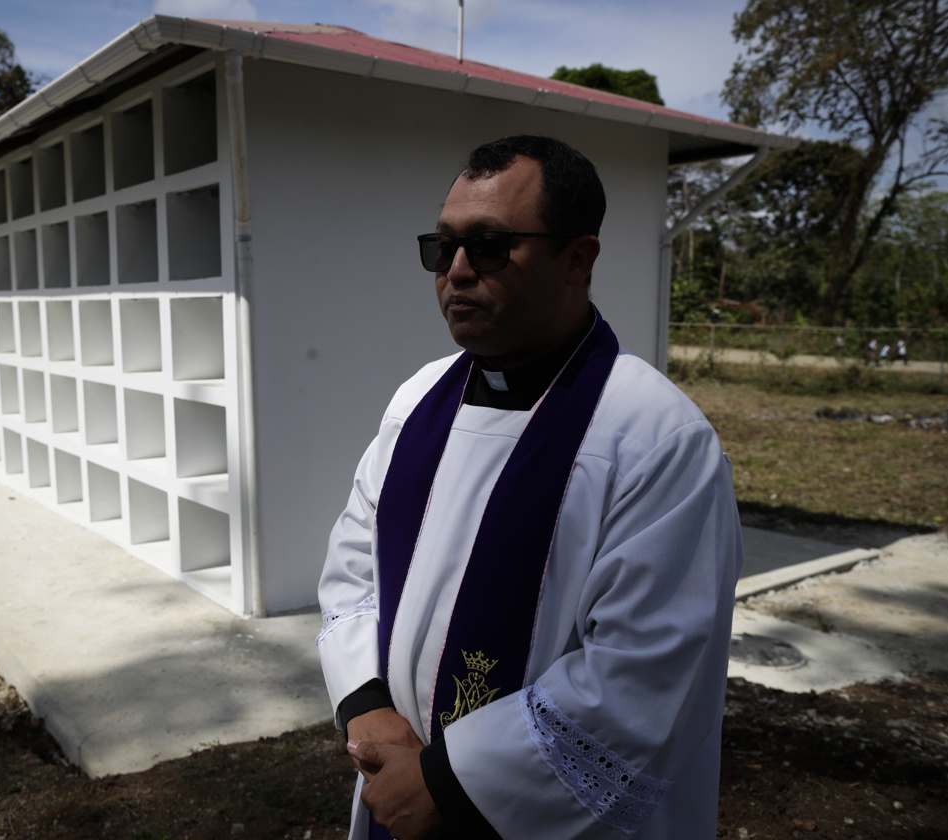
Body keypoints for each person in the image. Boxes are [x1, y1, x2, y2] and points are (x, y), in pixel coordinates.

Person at [316, 135, 744, 840]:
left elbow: (647, 678)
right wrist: (368, 709)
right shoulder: (418, 401)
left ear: (578, 259)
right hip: (395, 772)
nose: (455, 272)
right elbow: (352, 572)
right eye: (442, 247)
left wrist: (448, 784)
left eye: (488, 246)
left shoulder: (653, 437)